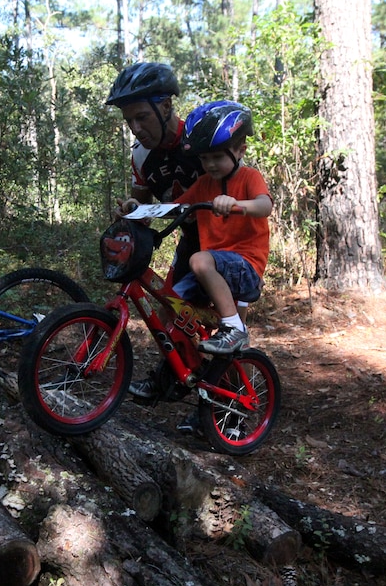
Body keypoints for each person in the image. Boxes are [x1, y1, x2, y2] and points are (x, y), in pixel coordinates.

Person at [105, 62, 206, 402]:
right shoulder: (141, 155)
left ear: (165, 106)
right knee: (171, 312)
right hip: (191, 242)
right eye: (128, 120)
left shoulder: (201, 137)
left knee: (228, 324)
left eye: (141, 118)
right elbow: (141, 208)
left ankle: (231, 407)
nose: (135, 128)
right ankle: (176, 378)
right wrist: (129, 210)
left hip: (230, 241)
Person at [170, 100, 272, 357]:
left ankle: (234, 327)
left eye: (217, 157)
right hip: (214, 268)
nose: (210, 164)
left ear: (240, 151)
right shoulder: (204, 184)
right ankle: (180, 373)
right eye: (205, 158)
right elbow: (175, 208)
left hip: (245, 267)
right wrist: (139, 208)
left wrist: (236, 204)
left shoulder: (250, 177)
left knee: (200, 260)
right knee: (169, 304)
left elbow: (264, 206)